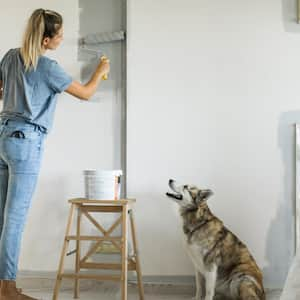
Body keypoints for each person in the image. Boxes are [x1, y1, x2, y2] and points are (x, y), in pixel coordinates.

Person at [0, 8, 110, 299]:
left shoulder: (10, 56)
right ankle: (7, 289)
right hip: (26, 142)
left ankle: (2, 285)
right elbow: (86, 93)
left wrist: (18, 91)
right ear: (46, 39)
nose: (62, 38)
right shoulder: (48, 67)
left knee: (2, 218)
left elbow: (0, 92)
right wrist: (99, 72)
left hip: (3, 138)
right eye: (59, 34)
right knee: (14, 220)